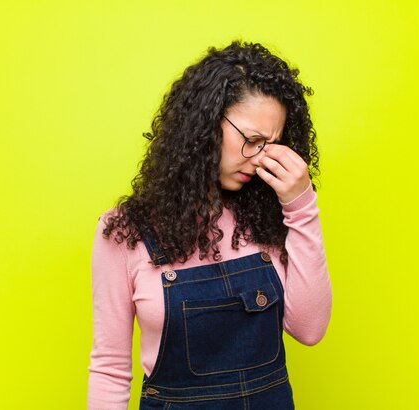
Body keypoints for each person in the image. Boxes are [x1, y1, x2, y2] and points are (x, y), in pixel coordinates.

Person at [87, 41, 332, 410]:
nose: (261, 158)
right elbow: (109, 368)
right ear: (204, 126)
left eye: (273, 145)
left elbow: (310, 331)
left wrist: (301, 206)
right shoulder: (126, 233)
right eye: (251, 140)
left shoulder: (265, 218)